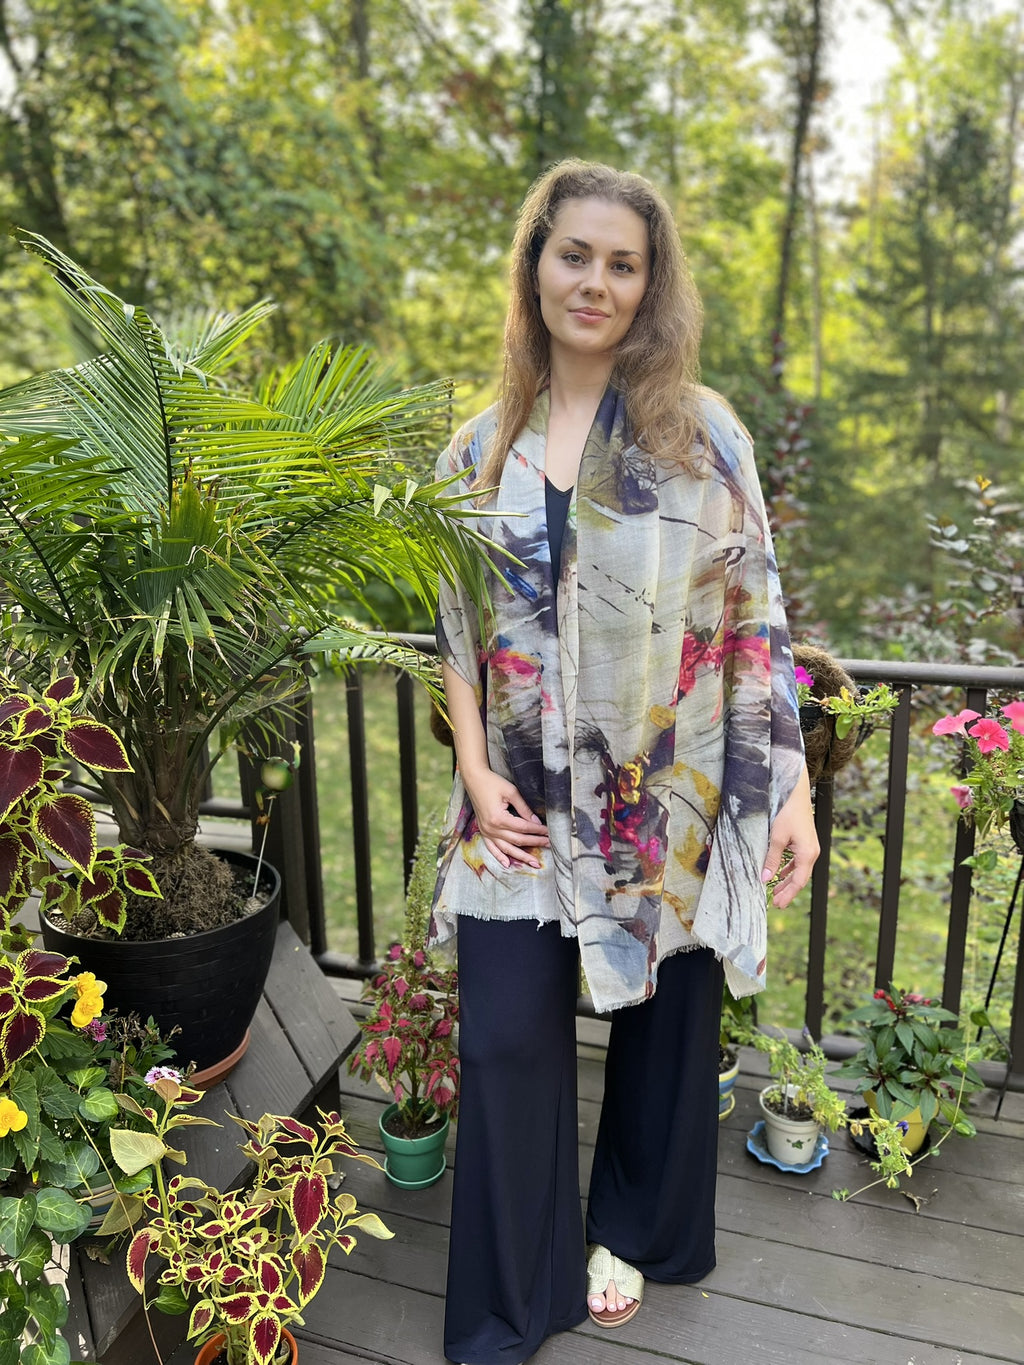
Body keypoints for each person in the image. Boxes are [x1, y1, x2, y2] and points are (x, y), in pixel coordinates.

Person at [428, 159, 819, 1365]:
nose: (592, 281)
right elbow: (451, 627)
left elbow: (755, 616)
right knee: (501, 1037)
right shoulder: (476, 448)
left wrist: (789, 787)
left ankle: (635, 1232)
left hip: (666, 794)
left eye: (621, 262)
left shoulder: (701, 433)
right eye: (573, 254)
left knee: (668, 1011)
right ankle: (517, 1292)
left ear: (649, 286)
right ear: (534, 263)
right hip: (520, 806)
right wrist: (475, 771)